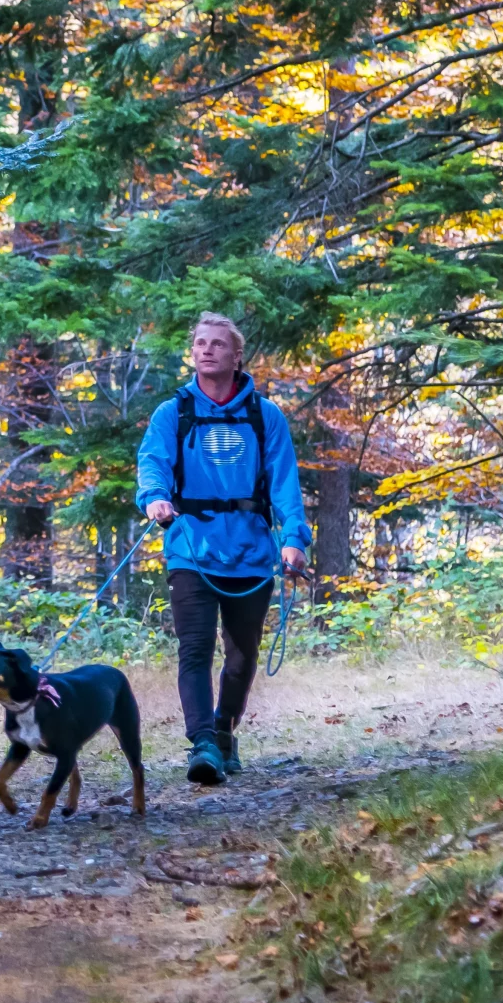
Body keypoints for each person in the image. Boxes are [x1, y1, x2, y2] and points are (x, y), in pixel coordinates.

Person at [136, 312, 310, 787]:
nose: (206, 349)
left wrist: (294, 540)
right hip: (190, 548)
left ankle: (225, 727)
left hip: (252, 554)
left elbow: (285, 483)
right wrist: (154, 497)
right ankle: (203, 742)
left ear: (237, 355)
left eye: (217, 344)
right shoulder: (172, 412)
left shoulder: (265, 415)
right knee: (194, 649)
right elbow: (151, 463)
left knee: (241, 656)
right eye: (199, 342)